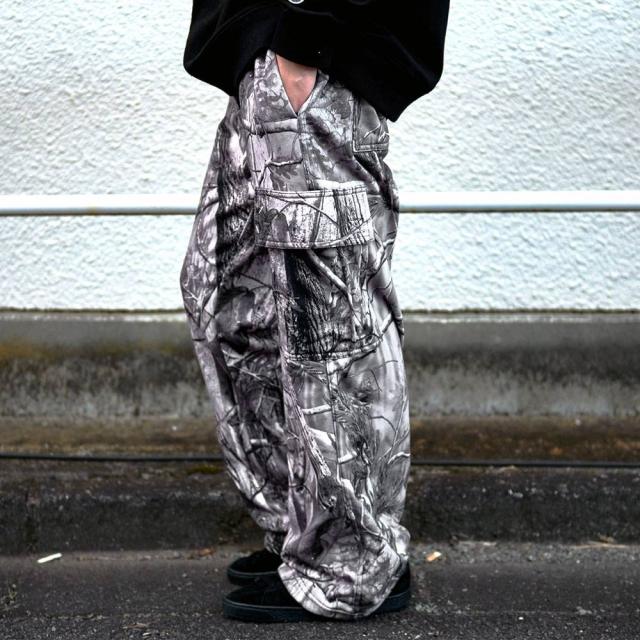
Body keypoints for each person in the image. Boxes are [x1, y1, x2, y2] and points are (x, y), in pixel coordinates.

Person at [180, 0, 450, 623]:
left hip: (313, 50)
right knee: (225, 299)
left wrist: (305, 40)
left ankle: (354, 563)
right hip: (269, 55)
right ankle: (306, 532)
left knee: (329, 328)